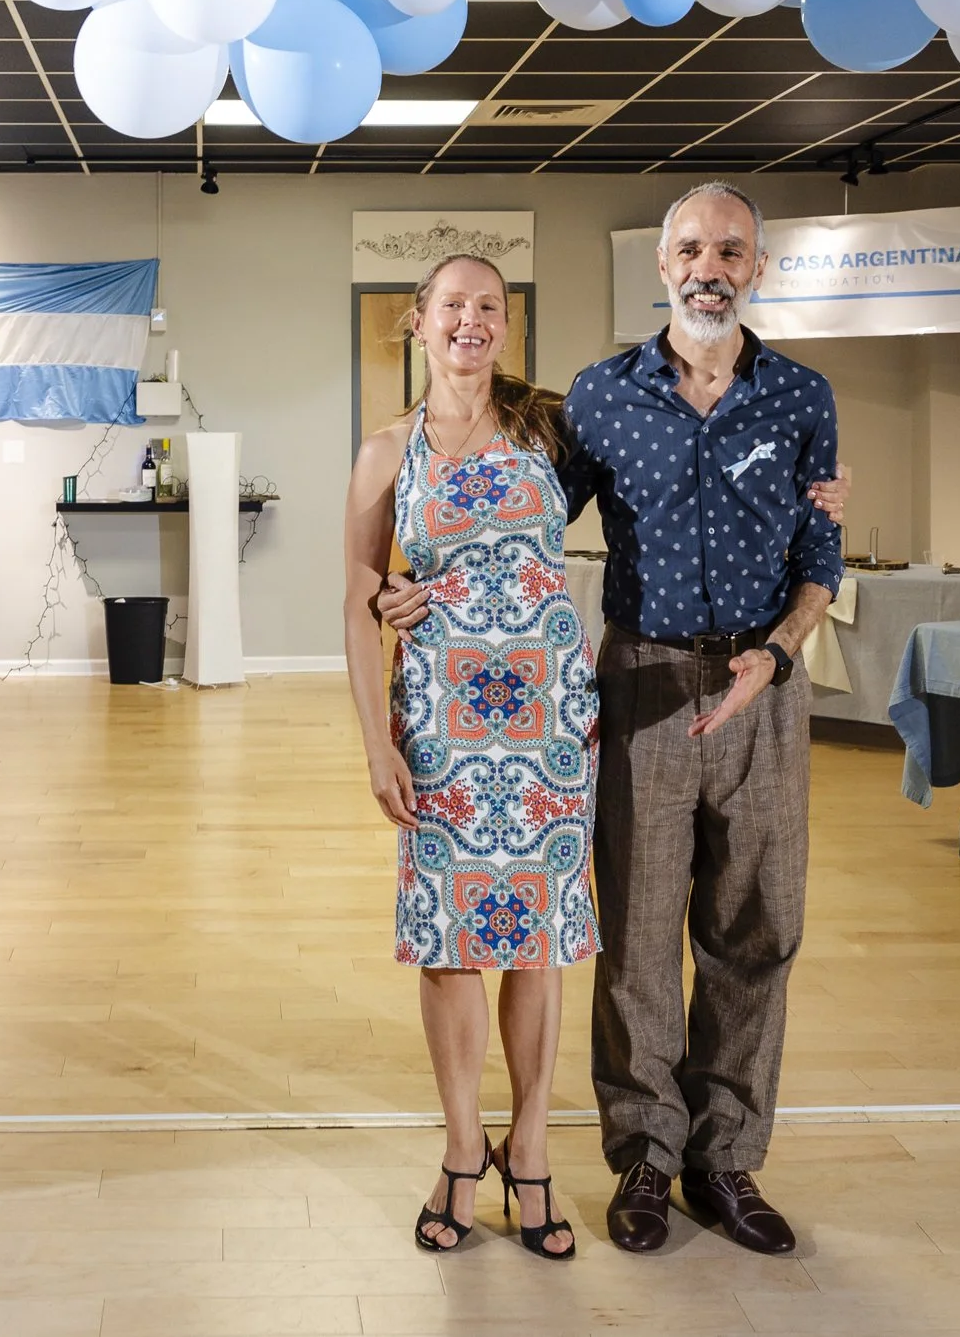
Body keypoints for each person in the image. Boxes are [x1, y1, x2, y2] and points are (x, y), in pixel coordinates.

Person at [378, 182, 847, 1258]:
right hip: (640, 678)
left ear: (757, 267)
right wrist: (409, 585)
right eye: (691, 249)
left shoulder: (802, 397)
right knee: (635, 931)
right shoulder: (595, 399)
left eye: (730, 250)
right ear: (663, 265)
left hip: (763, 685)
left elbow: (821, 560)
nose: (709, 267)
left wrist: (777, 651)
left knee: (757, 928)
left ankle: (725, 1159)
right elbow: (514, 514)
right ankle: (643, 1155)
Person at [343, 254, 597, 1260]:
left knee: (536, 940)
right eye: (453, 305)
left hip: (547, 726)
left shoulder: (552, 429)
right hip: (443, 726)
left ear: (506, 324)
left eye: (489, 306)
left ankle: (528, 1148)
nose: (471, 321)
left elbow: (666, 476)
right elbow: (357, 601)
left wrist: (816, 497)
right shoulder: (385, 450)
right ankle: (460, 1148)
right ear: (418, 321)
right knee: (450, 940)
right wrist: (377, 745)